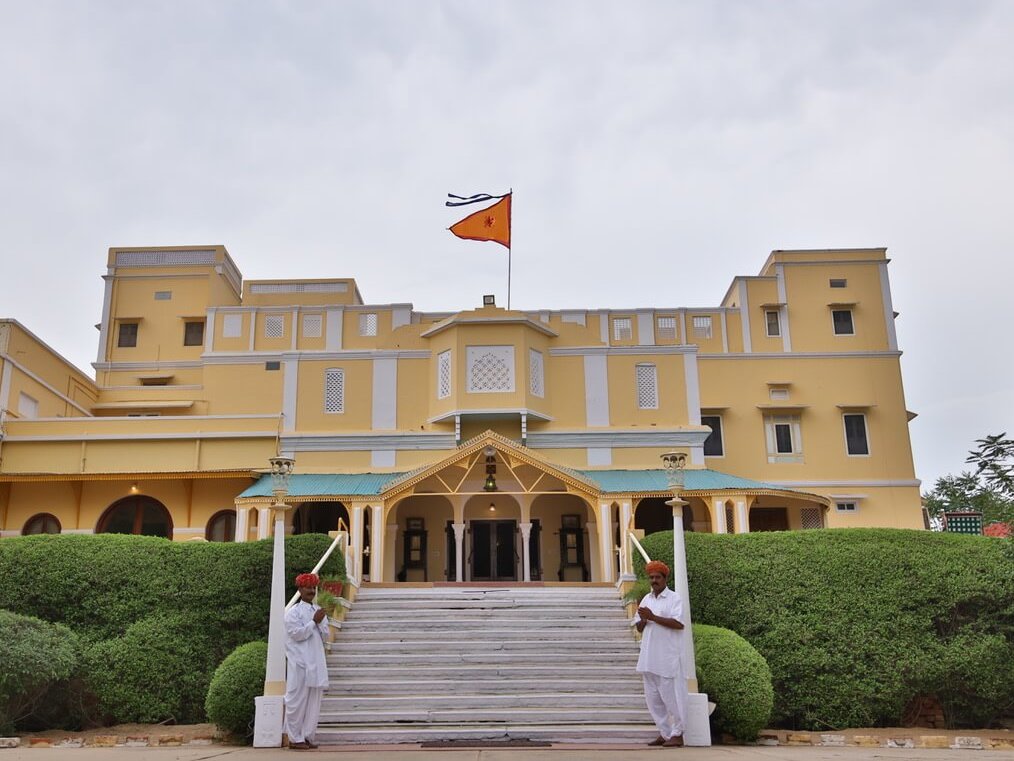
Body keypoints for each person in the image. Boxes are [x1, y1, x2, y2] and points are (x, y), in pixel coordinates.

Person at [634, 559, 688, 748]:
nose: (654, 580)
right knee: (653, 700)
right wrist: (642, 619)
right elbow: (640, 628)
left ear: (665, 579)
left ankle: (678, 733)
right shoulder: (647, 599)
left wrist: (653, 617)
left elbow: (679, 624)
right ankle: (665, 733)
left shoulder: (674, 598)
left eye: (657, 577)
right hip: (648, 657)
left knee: (671, 698)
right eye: (651, 577)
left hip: (666, 657)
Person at [284, 572, 329, 750]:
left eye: (313, 587)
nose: (311, 590)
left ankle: (308, 736)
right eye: (308, 587)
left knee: (314, 702)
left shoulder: (317, 610)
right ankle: (295, 739)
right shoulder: (292, 613)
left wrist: (320, 621)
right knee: (296, 701)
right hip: (300, 663)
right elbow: (297, 634)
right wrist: (313, 622)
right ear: (300, 589)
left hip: (316, 662)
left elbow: (325, 635)